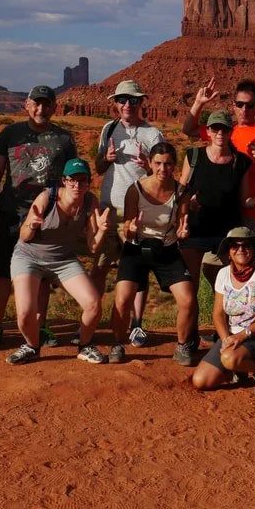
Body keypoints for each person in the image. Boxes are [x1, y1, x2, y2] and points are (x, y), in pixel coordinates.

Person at [0, 85, 76, 351]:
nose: (41, 109)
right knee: (2, 272)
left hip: (47, 216)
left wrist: (69, 216)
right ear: (27, 104)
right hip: (11, 213)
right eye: (36, 103)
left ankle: (41, 324)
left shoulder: (64, 139)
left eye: (46, 104)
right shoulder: (9, 134)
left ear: (54, 107)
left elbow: (71, 182)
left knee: (43, 273)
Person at [6, 159, 111, 365]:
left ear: (88, 182)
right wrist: (33, 225)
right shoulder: (47, 197)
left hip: (63, 260)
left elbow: (92, 248)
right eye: (72, 180)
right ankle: (32, 346)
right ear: (64, 180)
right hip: (28, 258)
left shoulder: (90, 202)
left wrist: (103, 232)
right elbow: (24, 236)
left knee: (93, 304)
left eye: (82, 180)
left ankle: (84, 346)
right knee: (26, 314)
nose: (77, 185)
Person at [111, 142, 197, 366]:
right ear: (150, 163)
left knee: (188, 299)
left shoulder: (181, 192)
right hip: (136, 248)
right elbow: (128, 225)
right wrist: (130, 228)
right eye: (158, 163)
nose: (163, 169)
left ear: (174, 166)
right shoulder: (135, 190)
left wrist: (183, 231)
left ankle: (182, 346)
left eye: (168, 164)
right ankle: (118, 344)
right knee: (122, 299)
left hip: (167, 249)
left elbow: (182, 225)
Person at [93, 79, 164, 346]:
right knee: (100, 266)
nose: (127, 104)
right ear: (115, 103)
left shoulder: (152, 135)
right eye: (122, 99)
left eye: (133, 100)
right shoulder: (108, 129)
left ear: (141, 102)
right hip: (109, 209)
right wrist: (106, 159)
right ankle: (92, 319)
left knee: (137, 270)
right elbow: (99, 168)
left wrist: (149, 166)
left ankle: (136, 325)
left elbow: (162, 174)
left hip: (138, 210)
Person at [179, 111, 254, 342]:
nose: (220, 133)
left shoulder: (241, 161)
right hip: (195, 230)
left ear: (231, 131)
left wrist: (254, 202)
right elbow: (181, 191)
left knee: (230, 290)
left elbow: (244, 200)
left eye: (225, 129)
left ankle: (228, 337)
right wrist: (186, 207)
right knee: (188, 291)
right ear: (208, 131)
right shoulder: (194, 156)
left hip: (227, 234)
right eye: (215, 128)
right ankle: (188, 340)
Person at [183, 77, 255, 233]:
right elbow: (188, 130)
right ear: (233, 105)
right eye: (240, 104)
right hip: (222, 213)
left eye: (249, 105)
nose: (244, 109)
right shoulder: (223, 131)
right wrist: (198, 103)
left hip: (249, 214)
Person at [191, 227, 255, 397]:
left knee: (229, 358)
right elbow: (218, 313)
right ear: (229, 251)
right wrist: (226, 338)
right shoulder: (223, 274)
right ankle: (239, 367)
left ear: (254, 249)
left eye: (246, 245)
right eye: (234, 246)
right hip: (233, 336)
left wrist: (241, 336)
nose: (240, 249)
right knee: (200, 381)